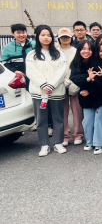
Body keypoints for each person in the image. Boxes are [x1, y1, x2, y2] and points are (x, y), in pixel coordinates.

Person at [25, 25, 68, 157]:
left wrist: (51, 85)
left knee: (58, 118)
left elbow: (62, 71)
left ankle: (58, 142)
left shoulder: (59, 53)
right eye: (43, 35)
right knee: (41, 119)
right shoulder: (32, 54)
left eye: (48, 35)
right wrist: (44, 85)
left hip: (57, 90)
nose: (46, 38)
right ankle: (44, 144)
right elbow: (31, 72)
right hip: (39, 92)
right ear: (37, 37)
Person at [70, 40, 102, 155]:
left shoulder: (98, 62)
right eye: (84, 48)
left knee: (99, 120)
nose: (86, 51)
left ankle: (99, 144)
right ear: (79, 50)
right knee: (87, 121)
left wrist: (89, 90)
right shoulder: (76, 63)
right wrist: (88, 78)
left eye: (89, 49)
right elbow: (75, 79)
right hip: (85, 98)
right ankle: (90, 142)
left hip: (100, 97)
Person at [57, 28, 83, 146]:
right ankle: (65, 135)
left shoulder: (76, 51)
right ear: (59, 39)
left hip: (74, 83)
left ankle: (78, 134)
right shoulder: (55, 52)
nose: (65, 39)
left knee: (77, 111)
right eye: (62, 37)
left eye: (67, 37)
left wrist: (75, 81)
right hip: (60, 84)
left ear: (71, 38)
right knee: (62, 111)